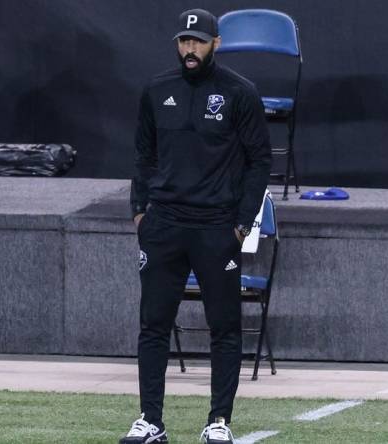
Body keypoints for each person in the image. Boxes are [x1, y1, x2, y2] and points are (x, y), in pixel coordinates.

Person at [121, 8, 271, 444]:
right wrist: (139, 211)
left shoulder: (239, 93)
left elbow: (260, 161)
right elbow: (143, 155)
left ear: (215, 45)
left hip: (216, 227)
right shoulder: (156, 90)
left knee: (224, 327)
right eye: (184, 42)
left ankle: (218, 422)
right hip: (164, 223)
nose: (190, 49)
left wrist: (243, 223)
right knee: (153, 325)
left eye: (198, 42)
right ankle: (151, 420)